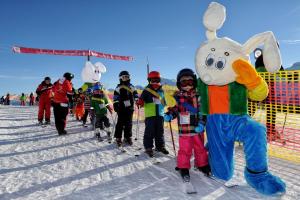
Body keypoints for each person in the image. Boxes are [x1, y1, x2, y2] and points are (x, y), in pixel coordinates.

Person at [164, 69, 211, 182]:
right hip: (184, 131)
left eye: (190, 82)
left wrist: (201, 123)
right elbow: (175, 109)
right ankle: (183, 167)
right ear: (179, 84)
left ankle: (202, 164)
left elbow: (202, 111)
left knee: (200, 149)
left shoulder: (198, 96)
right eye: (184, 82)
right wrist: (170, 115)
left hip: (197, 129)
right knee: (185, 150)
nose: (187, 85)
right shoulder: (178, 98)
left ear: (194, 82)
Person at [137, 71, 169, 157]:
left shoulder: (161, 90)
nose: (155, 81)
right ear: (149, 80)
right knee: (149, 132)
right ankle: (148, 147)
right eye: (153, 79)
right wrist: (140, 102)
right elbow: (141, 100)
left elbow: (164, 102)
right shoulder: (146, 90)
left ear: (159, 80)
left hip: (160, 114)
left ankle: (160, 146)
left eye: (156, 79)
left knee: (160, 132)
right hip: (150, 115)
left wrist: (166, 103)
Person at [113, 71, 139, 146]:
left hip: (130, 107)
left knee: (129, 123)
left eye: (127, 77)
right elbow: (116, 96)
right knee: (120, 123)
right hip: (121, 108)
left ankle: (128, 137)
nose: (125, 78)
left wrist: (137, 100)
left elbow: (135, 93)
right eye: (124, 77)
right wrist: (115, 104)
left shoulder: (131, 86)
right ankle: (118, 137)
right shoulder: (118, 87)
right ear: (121, 78)